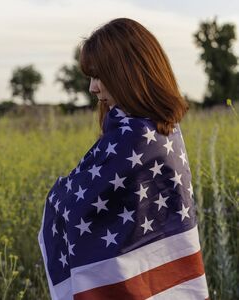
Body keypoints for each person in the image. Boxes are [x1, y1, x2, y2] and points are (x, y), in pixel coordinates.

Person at [38, 18, 209, 299]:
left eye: (99, 75)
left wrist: (58, 198)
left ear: (126, 73)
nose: (93, 88)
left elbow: (75, 208)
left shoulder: (134, 136)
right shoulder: (163, 127)